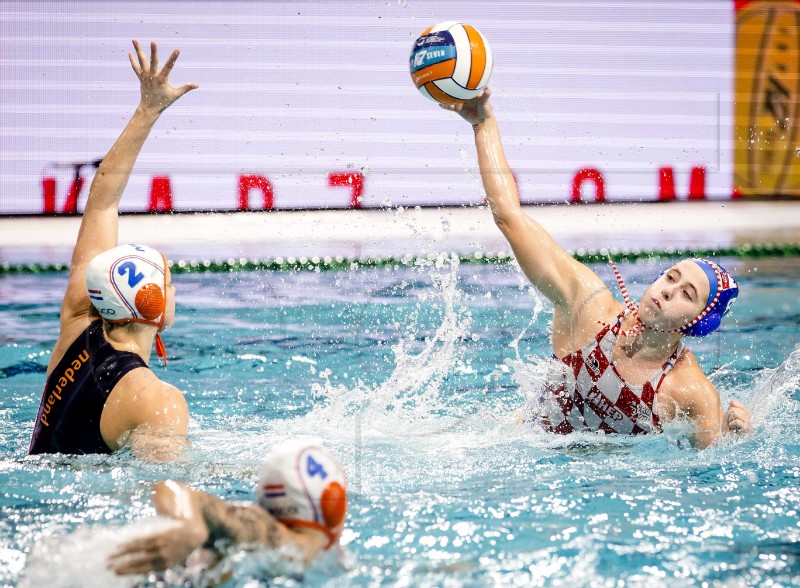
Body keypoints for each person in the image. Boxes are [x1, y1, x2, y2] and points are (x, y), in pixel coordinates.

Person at [442, 89, 752, 449]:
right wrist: (483, 123)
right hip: (522, 448)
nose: (668, 289)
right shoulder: (589, 308)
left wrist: (736, 437)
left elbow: (707, 467)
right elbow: (510, 217)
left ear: (697, 322)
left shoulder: (691, 392)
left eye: (687, 294)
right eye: (671, 277)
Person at [28, 41, 197, 460]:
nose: (176, 290)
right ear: (150, 302)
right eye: (169, 282)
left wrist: (147, 110)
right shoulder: (156, 400)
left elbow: (102, 200)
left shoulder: (79, 321)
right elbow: (166, 495)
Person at [108, 440, 348, 576]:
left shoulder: (328, 556)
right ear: (334, 504)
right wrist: (189, 527)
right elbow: (174, 489)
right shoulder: (272, 535)